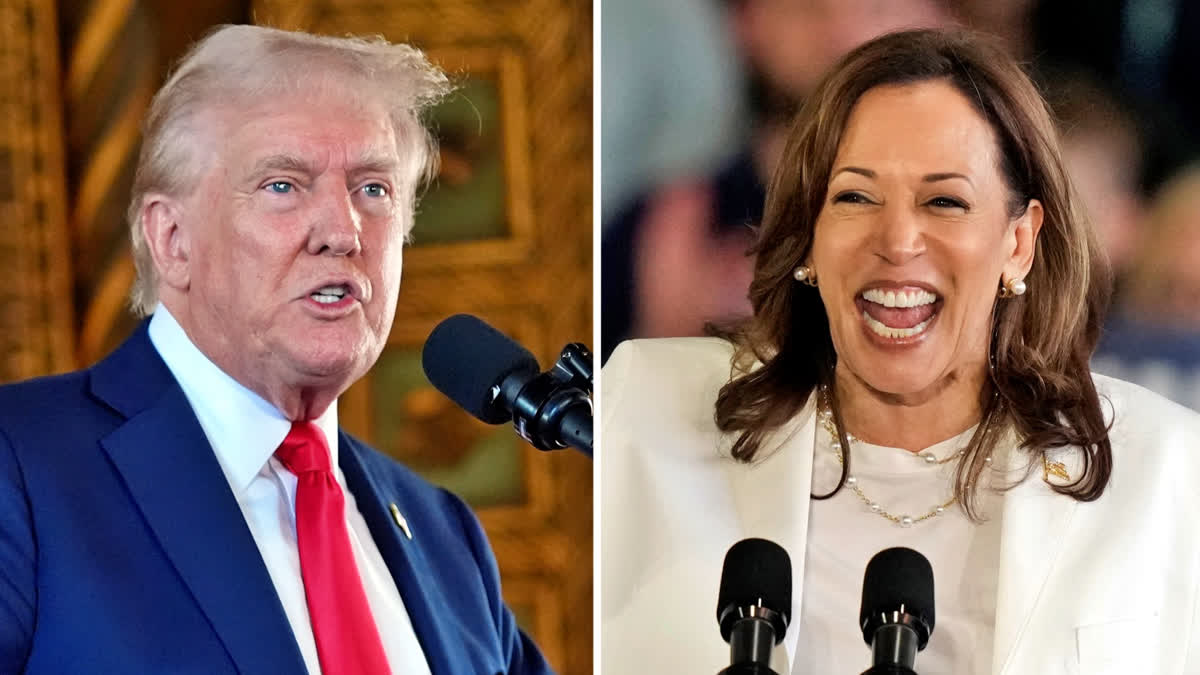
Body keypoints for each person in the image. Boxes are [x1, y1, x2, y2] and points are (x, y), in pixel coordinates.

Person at [601, 29, 1200, 674]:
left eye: (945, 201)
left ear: (1019, 243)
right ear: (808, 234)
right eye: (855, 197)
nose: (898, 241)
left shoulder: (1167, 472)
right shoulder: (643, 414)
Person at [0, 25, 551, 674]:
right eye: (283, 185)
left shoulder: (446, 538)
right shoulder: (22, 470)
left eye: (373, 188)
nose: (342, 230)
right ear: (171, 238)